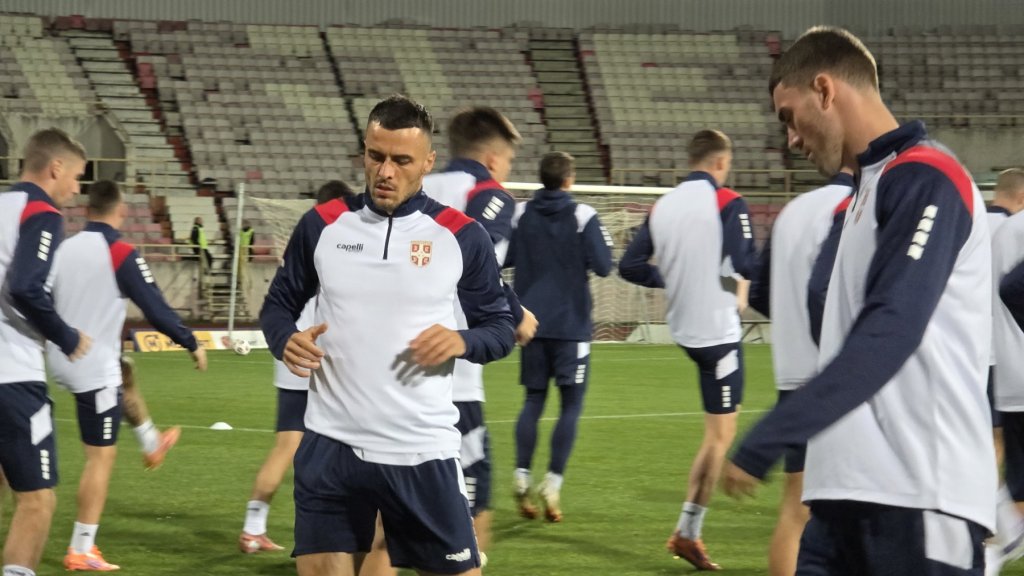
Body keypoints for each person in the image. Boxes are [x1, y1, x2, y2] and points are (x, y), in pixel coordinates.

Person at [722, 26, 996, 575]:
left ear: (825, 90)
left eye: (789, 117)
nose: (791, 139)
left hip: (921, 493)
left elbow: (892, 326)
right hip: (841, 494)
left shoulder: (927, 176)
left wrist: (774, 433)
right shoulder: (865, 190)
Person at [260, 94, 515, 576]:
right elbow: (277, 306)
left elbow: (501, 329)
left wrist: (462, 341)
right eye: (375, 156)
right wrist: (283, 338)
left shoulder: (460, 235)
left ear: (428, 163)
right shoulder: (323, 225)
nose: (385, 172)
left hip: (421, 449)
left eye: (402, 160)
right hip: (330, 446)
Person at [45, 180, 207, 571]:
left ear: (88, 211)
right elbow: (154, 306)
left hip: (60, 355)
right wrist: (190, 342)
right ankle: (82, 548)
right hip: (90, 365)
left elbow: (40, 297)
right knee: (100, 457)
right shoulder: (120, 252)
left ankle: (151, 442)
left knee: (126, 373)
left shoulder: (64, 248)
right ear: (122, 211)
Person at [619, 129, 755, 571]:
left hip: (683, 329)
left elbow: (630, 265)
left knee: (718, 433)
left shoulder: (663, 205)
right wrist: (739, 290)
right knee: (720, 437)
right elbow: (743, 263)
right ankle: (687, 533)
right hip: (716, 334)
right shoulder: (727, 201)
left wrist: (672, 278)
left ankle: (688, 532)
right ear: (721, 162)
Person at [419, 106, 538, 560]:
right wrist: (516, 313)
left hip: (392, 366)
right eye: (508, 161)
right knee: (473, 488)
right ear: (492, 159)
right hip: (453, 368)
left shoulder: (415, 187)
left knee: (391, 495)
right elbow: (478, 255)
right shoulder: (488, 194)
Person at [239, 179, 356, 554]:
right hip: (321, 357)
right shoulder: (340, 246)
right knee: (349, 449)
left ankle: (253, 527)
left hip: (291, 354)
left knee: (286, 446)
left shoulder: (302, 243)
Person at [747, 169, 853, 576]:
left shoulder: (792, 210)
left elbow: (759, 292)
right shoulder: (860, 207)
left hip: (793, 377)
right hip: (842, 380)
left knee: (795, 509)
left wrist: (792, 326)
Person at [0, 128, 93, 576]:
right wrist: (65, 335)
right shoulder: (41, 213)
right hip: (13, 376)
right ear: (55, 168)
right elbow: (24, 286)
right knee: (38, 501)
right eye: (76, 177)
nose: (75, 189)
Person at [506, 151, 613, 522]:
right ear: (569, 179)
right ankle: (552, 483)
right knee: (570, 406)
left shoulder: (520, 213)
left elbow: (504, 257)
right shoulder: (583, 215)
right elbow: (604, 265)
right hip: (571, 327)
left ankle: (521, 474)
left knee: (533, 399)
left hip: (530, 323)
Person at [987, 168, 1024, 575]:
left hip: (995, 360)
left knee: (1008, 456)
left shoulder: (993, 231)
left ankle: (1006, 533)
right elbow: (1013, 288)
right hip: (1015, 358)